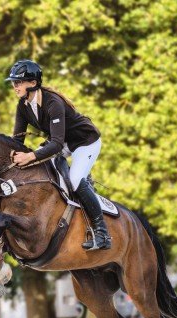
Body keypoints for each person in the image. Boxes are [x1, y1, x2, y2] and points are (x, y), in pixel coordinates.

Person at [6, 59, 111, 250]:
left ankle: (102, 233)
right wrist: (9, 156)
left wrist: (30, 156)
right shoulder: (23, 106)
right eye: (13, 82)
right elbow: (17, 141)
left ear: (33, 83)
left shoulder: (53, 103)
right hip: (62, 141)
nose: (15, 86)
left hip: (85, 142)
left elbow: (54, 145)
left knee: (75, 179)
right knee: (38, 168)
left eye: (19, 82)